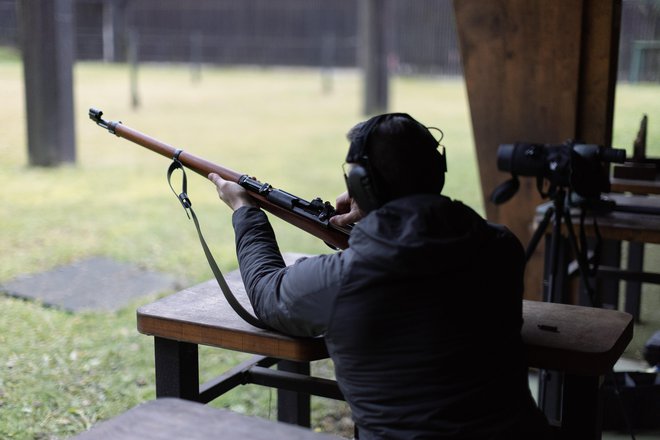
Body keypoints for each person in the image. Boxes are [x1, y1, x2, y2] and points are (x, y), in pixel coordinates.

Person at [208, 113, 551, 439]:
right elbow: (421, 261)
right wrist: (374, 224)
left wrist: (245, 211)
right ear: (437, 169)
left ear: (361, 185)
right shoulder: (501, 247)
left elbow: (267, 294)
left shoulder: (346, 278)